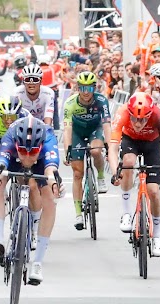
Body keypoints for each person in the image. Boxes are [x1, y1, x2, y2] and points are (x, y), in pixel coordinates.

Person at [0, 116, 62, 285]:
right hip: (13, 160)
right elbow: (0, 162)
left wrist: (55, 184)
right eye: (23, 151)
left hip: (41, 163)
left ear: (41, 146)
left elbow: (51, 169)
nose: (27, 157)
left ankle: (37, 263)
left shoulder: (48, 138)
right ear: (16, 145)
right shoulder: (11, 135)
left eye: (32, 152)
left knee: (50, 198)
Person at [108, 92, 160, 257]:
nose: (138, 123)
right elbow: (113, 148)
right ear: (129, 114)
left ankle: (157, 236)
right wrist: (115, 171)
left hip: (152, 143)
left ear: (150, 115)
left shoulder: (158, 116)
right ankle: (126, 213)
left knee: (153, 191)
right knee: (128, 163)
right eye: (135, 119)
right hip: (130, 140)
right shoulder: (122, 112)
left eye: (143, 119)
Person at [62, 71, 112, 230]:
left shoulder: (101, 101)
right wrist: (67, 150)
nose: (85, 93)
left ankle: (101, 176)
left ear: (94, 88)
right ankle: (78, 214)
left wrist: (110, 147)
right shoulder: (70, 103)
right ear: (77, 88)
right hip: (76, 132)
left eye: (89, 89)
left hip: (94, 130)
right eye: (82, 88)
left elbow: (106, 125)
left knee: (96, 151)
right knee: (77, 174)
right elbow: (67, 130)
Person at [0, 96, 31, 250]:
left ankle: (31, 226)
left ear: (19, 114)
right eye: (5, 117)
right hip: (1, 142)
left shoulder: (26, 117)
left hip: (22, 142)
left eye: (12, 117)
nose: (8, 121)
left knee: (28, 178)